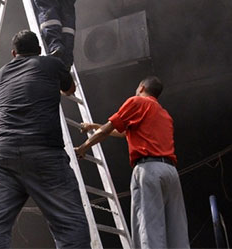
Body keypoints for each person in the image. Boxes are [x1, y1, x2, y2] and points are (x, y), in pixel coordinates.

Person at [0, 30, 90, 248]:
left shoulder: (2, 73)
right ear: (40, 51)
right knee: (70, 223)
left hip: (1, 155)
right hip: (43, 151)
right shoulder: (50, 64)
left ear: (14, 53)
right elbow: (69, 89)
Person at [75, 76, 190, 249]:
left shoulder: (137, 102)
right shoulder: (164, 114)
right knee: (176, 230)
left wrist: (83, 147)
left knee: (149, 228)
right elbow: (123, 133)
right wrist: (92, 126)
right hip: (170, 172)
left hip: (148, 169)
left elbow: (108, 128)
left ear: (141, 87)